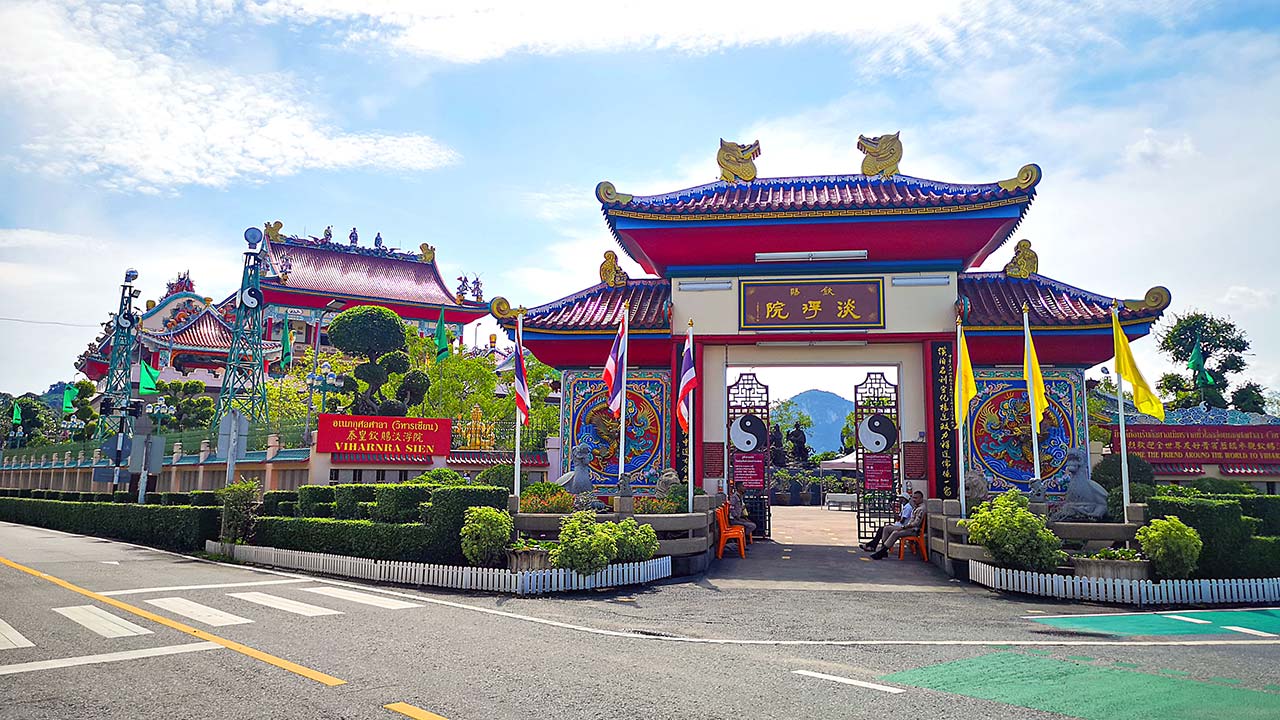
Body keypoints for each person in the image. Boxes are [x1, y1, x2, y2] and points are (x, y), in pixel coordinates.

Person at [862, 490, 924, 559]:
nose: (914, 500)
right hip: (907, 527)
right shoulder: (915, 507)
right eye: (913, 498)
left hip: (913, 530)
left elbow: (915, 523)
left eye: (916, 498)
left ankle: (881, 551)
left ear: (921, 499)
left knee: (894, 533)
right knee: (886, 528)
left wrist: (904, 527)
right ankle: (883, 551)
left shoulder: (920, 509)